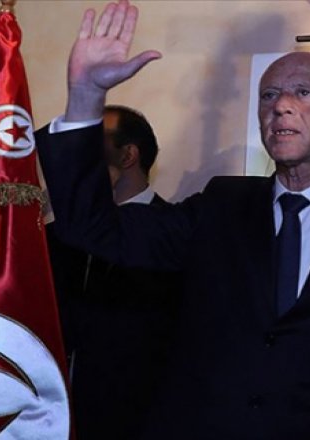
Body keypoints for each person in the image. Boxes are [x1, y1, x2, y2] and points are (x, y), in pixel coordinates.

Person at [36, 1, 310, 438]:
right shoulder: (219, 206)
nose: (281, 105)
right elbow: (91, 228)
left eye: (303, 92)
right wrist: (85, 96)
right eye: (269, 95)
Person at [46, 105, 181, 437]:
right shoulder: (56, 235)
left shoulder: (175, 234)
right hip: (53, 415)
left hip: (135, 419)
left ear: (128, 155)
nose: (79, 151)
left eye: (93, 139)